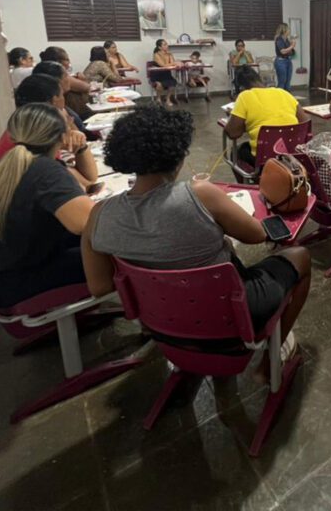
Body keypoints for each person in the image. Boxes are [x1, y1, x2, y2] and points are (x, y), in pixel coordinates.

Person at [81, 108, 310, 377]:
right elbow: (257, 235)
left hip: (160, 321)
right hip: (230, 317)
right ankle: (272, 357)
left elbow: (99, 286)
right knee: (300, 256)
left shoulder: (99, 215)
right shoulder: (201, 195)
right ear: (178, 155)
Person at [0, 103, 95, 307]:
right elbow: (87, 223)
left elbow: (87, 183)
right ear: (62, 136)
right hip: (20, 281)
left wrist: (82, 148)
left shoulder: (7, 165)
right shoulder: (45, 171)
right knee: (114, 253)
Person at [0, 74, 99, 188]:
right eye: (62, 95)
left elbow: (88, 180)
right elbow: (89, 183)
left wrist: (80, 145)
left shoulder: (22, 128)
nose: (64, 101)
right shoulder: (37, 139)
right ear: (53, 101)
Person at [225, 67, 308, 165]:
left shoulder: (244, 96)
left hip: (264, 160)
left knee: (236, 152)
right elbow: (305, 123)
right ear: (260, 79)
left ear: (241, 88)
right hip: (292, 154)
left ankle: (255, 175)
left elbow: (233, 133)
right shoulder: (283, 93)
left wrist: (233, 116)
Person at [32, 61, 97, 138]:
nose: (70, 79)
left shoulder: (62, 103)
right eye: (66, 75)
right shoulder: (54, 109)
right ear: (56, 80)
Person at [39, 46, 92, 116]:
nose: (69, 62)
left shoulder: (43, 72)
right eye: (67, 60)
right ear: (58, 62)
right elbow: (87, 87)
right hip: (74, 113)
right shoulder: (58, 75)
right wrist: (83, 79)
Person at [151, 39, 179, 105]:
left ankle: (168, 99)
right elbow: (163, 65)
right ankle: (158, 98)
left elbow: (172, 63)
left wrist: (171, 56)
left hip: (166, 74)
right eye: (165, 44)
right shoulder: (156, 54)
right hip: (157, 75)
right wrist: (175, 63)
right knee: (159, 85)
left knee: (173, 84)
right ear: (159, 47)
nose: (167, 45)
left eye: (167, 44)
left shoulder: (169, 54)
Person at [274, 23, 296, 92]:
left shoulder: (286, 40)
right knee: (282, 82)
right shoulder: (279, 39)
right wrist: (292, 46)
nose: (289, 30)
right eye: (288, 29)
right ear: (284, 30)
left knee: (287, 82)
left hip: (288, 61)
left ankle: (287, 96)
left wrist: (291, 48)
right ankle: (279, 97)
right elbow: (282, 51)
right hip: (281, 62)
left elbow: (289, 51)